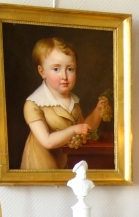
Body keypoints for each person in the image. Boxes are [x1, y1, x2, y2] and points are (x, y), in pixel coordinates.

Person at [21, 37, 107, 170]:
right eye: (56, 69)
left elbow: (83, 130)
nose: (64, 76)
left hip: (64, 163)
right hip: (40, 165)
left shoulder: (73, 102)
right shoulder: (33, 104)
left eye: (70, 69)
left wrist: (97, 113)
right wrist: (72, 130)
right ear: (42, 71)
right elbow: (47, 141)